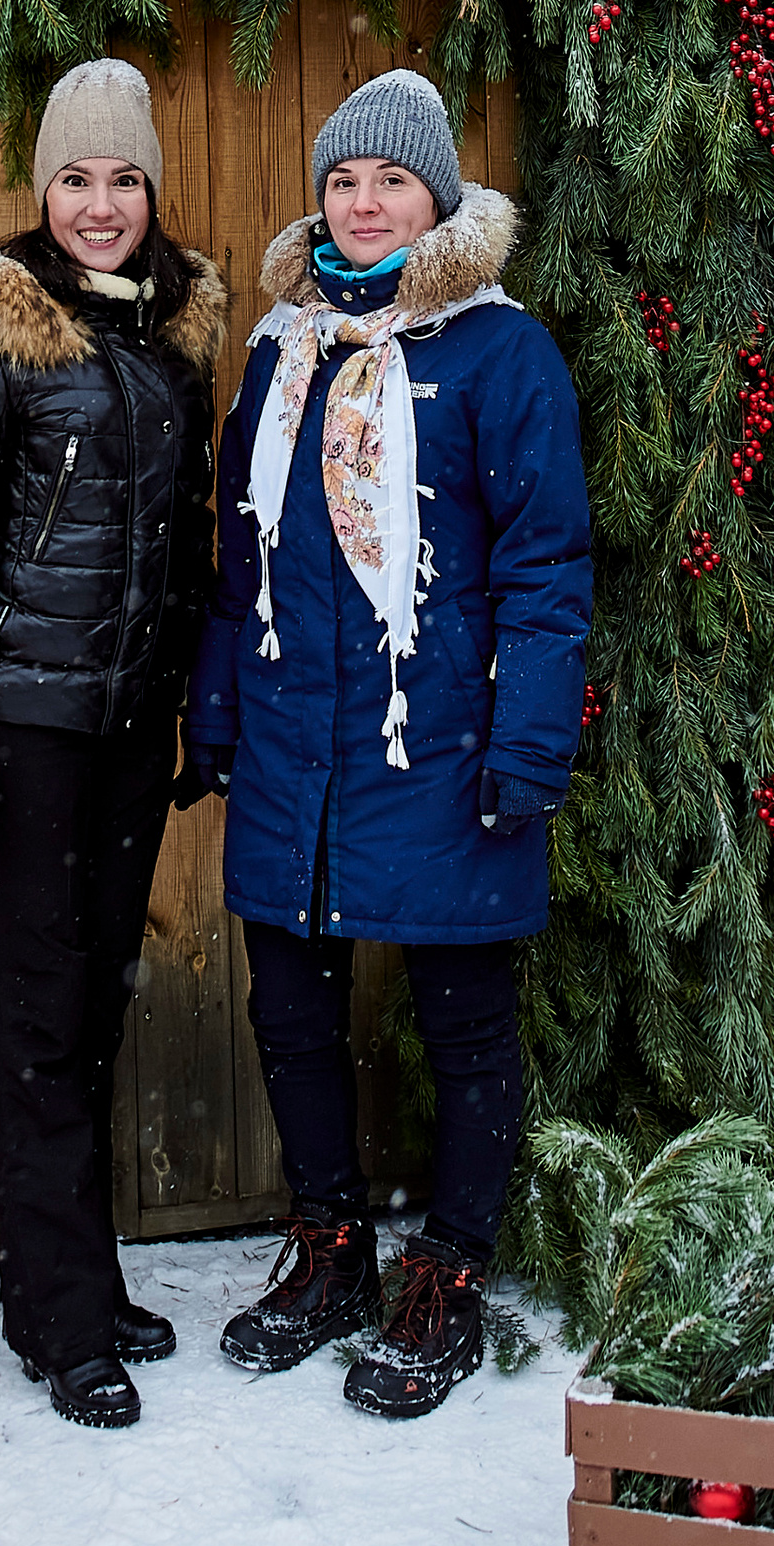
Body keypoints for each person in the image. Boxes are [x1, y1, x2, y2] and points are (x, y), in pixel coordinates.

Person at [187, 69, 591, 1417]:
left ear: (439, 199)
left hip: (442, 740)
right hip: (298, 737)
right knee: (291, 1013)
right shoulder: (278, 349)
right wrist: (222, 705)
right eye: (343, 183)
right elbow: (239, 556)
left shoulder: (499, 352)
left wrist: (530, 748)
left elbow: (543, 566)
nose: (361, 205)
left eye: (390, 183)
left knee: (464, 1025)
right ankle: (332, 1248)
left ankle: (450, 1273)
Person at [0, 57, 224, 1431]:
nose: (102, 204)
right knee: (36, 1014)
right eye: (78, 179)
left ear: (151, 189)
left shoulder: (170, 336)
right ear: (44, 189)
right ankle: (68, 1322)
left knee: (95, 1006)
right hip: (26, 727)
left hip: (129, 724)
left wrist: (193, 705)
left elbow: (192, 543)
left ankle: (61, 1281)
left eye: (124, 178)